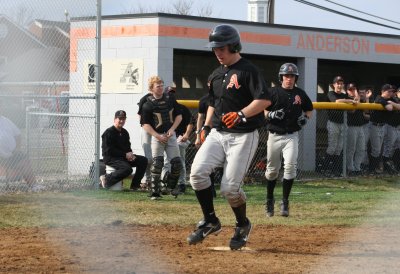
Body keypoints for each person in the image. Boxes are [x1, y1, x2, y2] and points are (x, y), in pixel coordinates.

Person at [186, 24, 271, 250]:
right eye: (214, 48)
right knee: (196, 175)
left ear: (233, 45)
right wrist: (204, 126)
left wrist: (242, 114)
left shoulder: (248, 70)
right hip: (217, 133)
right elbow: (213, 103)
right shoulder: (215, 74)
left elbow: (264, 100)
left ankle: (242, 225)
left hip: (243, 135)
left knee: (229, 189)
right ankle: (211, 221)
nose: (217, 52)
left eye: (221, 48)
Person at [264, 63, 313, 217]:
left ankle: (285, 202)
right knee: (272, 171)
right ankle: (269, 200)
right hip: (274, 135)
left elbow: (309, 109)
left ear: (295, 78)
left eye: (292, 76)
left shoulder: (300, 93)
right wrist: (269, 115)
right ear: (281, 77)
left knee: (290, 166)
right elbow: (262, 108)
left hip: (291, 136)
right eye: (286, 75)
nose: (289, 78)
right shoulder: (272, 92)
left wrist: (305, 118)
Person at [141, 76, 183, 200]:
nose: (161, 88)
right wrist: (157, 136)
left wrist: (171, 129)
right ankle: (155, 192)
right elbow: (145, 124)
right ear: (151, 88)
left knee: (177, 164)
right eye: (158, 86)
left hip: (170, 135)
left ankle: (169, 187)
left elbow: (179, 116)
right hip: (157, 136)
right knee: (157, 164)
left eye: (162, 85)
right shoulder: (147, 104)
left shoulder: (170, 99)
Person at [100, 110, 148, 190]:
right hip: (111, 158)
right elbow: (108, 150)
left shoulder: (125, 132)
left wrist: (130, 154)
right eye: (120, 119)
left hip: (122, 157)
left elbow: (128, 147)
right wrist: (125, 154)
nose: (122, 121)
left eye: (123, 119)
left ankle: (135, 186)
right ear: (115, 119)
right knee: (127, 169)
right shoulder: (108, 133)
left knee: (143, 160)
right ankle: (106, 179)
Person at [162, 85, 195, 194]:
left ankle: (181, 184)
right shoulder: (162, 107)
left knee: (179, 160)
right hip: (166, 137)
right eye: (168, 93)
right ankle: (165, 183)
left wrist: (186, 135)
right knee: (166, 161)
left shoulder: (181, 108)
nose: (171, 95)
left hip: (180, 138)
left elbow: (191, 122)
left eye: (172, 93)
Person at [325, 76, 356, 176]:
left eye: (341, 83)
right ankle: (327, 169)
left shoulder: (344, 95)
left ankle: (336, 170)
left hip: (343, 123)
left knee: (339, 148)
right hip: (333, 123)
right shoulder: (331, 93)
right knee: (332, 147)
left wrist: (353, 100)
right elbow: (336, 101)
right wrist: (350, 101)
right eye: (337, 83)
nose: (339, 85)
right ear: (333, 85)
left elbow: (353, 110)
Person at [0, 114, 36, 188]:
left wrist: (17, 149)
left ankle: (34, 186)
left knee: (25, 162)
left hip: (12, 154)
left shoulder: (5, 120)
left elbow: (17, 134)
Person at [368, 84, 398, 174]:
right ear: (382, 91)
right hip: (374, 126)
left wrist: (392, 103)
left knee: (379, 149)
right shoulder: (379, 98)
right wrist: (391, 104)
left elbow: (397, 106)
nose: (390, 93)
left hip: (382, 126)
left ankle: (374, 169)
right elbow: (389, 108)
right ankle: (371, 169)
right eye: (388, 91)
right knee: (376, 149)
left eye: (391, 91)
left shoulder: (391, 100)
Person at [344, 83, 365, 176]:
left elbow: (366, 111)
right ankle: (350, 168)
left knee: (361, 149)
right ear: (347, 90)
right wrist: (357, 97)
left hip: (361, 127)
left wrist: (358, 98)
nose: (352, 91)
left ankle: (357, 168)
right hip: (351, 127)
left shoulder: (360, 99)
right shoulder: (346, 99)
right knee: (351, 149)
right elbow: (352, 110)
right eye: (350, 89)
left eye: (354, 89)